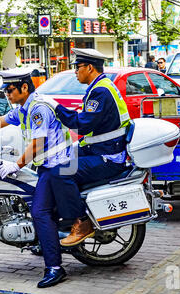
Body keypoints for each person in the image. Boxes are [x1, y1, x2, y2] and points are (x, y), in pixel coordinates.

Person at [0, 69, 73, 288]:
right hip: (48, 164)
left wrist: (16, 164)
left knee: (39, 211)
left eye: (9, 90)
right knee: (29, 200)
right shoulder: (24, 108)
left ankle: (55, 268)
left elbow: (37, 145)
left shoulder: (37, 109)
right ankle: (42, 243)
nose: (7, 94)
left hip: (57, 165)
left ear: (24, 88)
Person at [47, 48, 132, 247]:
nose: (75, 71)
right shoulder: (99, 87)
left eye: (78, 67)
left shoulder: (100, 92)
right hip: (100, 148)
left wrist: (56, 107)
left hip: (108, 157)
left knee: (60, 173)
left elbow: (82, 124)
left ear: (90, 67)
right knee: (55, 159)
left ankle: (81, 222)